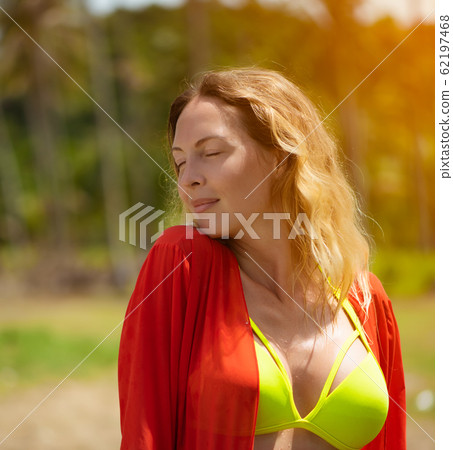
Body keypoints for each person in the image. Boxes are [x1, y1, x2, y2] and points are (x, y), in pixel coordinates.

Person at [118, 68, 406, 450]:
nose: (188, 179)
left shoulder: (367, 300)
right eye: (180, 161)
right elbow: (145, 436)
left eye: (211, 153)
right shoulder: (181, 263)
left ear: (281, 155)